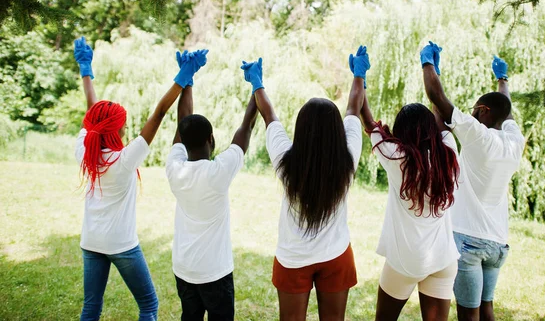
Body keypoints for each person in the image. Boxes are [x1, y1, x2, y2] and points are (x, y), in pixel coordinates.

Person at [73, 37, 206, 321]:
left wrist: (86, 70)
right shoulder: (124, 160)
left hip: (91, 241)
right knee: (148, 305)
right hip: (121, 244)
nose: (124, 130)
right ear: (116, 132)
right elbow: (159, 114)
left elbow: (92, 114)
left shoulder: (84, 149)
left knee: (91, 306)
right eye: (121, 126)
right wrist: (183, 78)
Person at [240, 50, 367, 321]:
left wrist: (257, 83)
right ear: (336, 131)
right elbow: (353, 107)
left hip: (293, 258)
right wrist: (359, 75)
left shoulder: (285, 161)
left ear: (301, 128)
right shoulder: (348, 159)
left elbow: (269, 115)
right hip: (336, 255)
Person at [420, 42, 525, 321]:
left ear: (483, 109)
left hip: (469, 241)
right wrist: (503, 80)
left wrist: (428, 63)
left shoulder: (479, 136)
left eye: (476, 110)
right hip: (498, 244)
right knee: (486, 308)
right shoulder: (515, 140)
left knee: (469, 314)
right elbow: (508, 110)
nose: (474, 114)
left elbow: (437, 97)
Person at [355, 47, 461, 320]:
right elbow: (441, 114)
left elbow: (368, 122)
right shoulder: (448, 152)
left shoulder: (395, 156)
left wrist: (361, 78)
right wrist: (433, 72)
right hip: (444, 259)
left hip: (406, 261)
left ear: (401, 132)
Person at [165, 51, 258, 321]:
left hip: (183, 269)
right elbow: (246, 129)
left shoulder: (174, 168)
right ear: (211, 139)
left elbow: (183, 122)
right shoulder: (219, 172)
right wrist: (256, 89)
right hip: (215, 272)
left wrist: (188, 79)